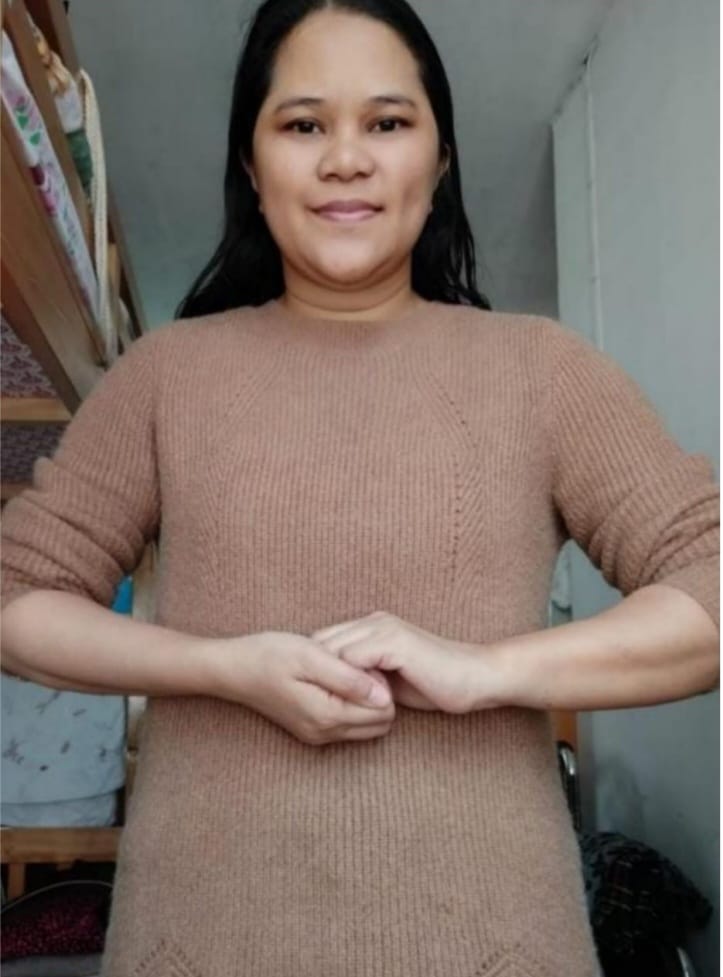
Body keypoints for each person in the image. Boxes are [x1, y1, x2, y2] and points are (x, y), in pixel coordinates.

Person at [1, 0, 718, 974]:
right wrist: (224, 667)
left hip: (497, 944)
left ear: (440, 157)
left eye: (387, 121)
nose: (346, 159)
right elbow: (18, 600)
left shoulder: (543, 370)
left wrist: (484, 668)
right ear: (252, 163)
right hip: (198, 941)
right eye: (303, 125)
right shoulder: (166, 374)